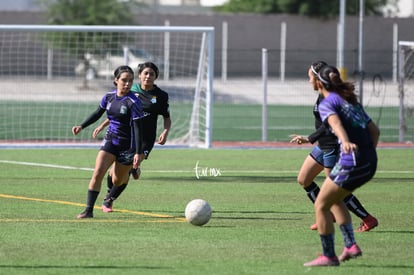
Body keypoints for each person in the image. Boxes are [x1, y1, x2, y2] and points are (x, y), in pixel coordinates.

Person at [303, 65, 380, 267]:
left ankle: (329, 255)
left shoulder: (328, 102)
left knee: (321, 204)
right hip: (369, 162)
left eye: (311, 77)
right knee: (336, 200)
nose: (309, 80)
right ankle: (350, 245)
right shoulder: (350, 100)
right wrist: (368, 153)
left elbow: (335, 124)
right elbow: (375, 131)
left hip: (351, 160)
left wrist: (345, 141)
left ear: (319, 82)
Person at [290, 61, 378, 233]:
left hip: (331, 146)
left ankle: (367, 218)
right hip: (323, 146)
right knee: (304, 179)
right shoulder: (322, 93)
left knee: (336, 191)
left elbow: (329, 126)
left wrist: (309, 138)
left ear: (317, 78)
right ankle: (328, 215)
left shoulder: (328, 96)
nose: (308, 81)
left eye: (309, 77)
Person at [93, 62, 171, 212]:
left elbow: (167, 117)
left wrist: (165, 132)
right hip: (127, 135)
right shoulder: (130, 91)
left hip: (145, 138)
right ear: (140, 75)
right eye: (145, 73)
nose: (148, 76)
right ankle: (121, 180)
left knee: (129, 168)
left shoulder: (161, 96)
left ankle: (109, 199)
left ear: (156, 77)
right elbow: (118, 111)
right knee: (115, 173)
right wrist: (102, 125)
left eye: (152, 74)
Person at [72, 65, 145, 219]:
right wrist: (82, 125)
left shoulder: (134, 102)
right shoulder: (109, 97)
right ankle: (88, 210)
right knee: (98, 173)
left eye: (130, 81)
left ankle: (131, 170)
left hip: (128, 145)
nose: (127, 84)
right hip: (111, 140)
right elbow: (98, 113)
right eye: (124, 80)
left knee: (117, 180)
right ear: (116, 80)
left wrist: (138, 152)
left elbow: (138, 128)